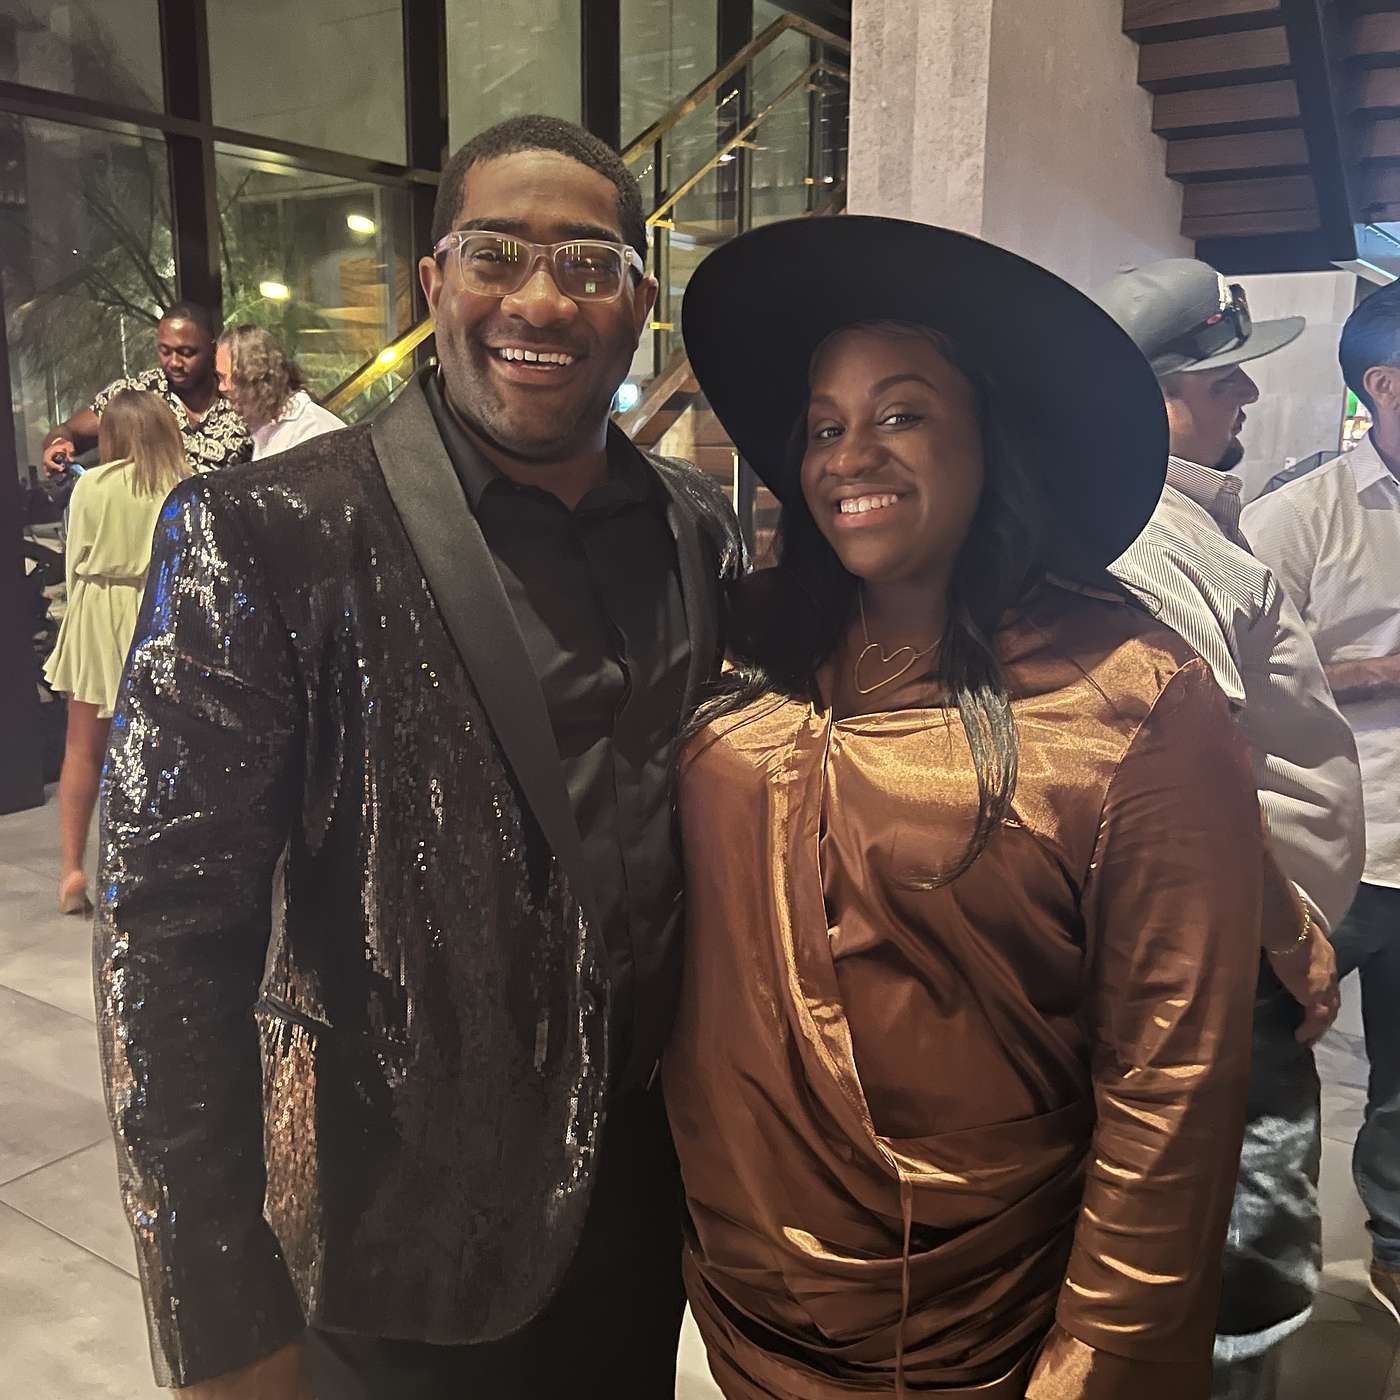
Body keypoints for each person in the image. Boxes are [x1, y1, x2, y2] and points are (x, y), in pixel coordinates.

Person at [95, 115, 742, 1400]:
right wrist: (218, 1305)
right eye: (496, 253)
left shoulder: (692, 528)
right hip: (400, 1242)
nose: (539, 299)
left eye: (589, 264)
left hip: (644, 1216)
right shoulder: (270, 530)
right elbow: (165, 934)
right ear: (432, 282)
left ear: (638, 304)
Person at [667, 215, 1279, 1399]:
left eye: (899, 414)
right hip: (737, 1286)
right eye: (824, 427)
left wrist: (1100, 1357)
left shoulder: (1126, 695)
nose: (850, 456)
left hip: (979, 1317)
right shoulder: (738, 641)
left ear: (990, 434)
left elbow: (1169, 1081)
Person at [1097, 259, 1364, 1397]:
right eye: (1221, 382)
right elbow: (1188, 789)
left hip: (1228, 957)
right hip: (1223, 970)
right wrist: (1284, 937)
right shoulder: (1148, 542)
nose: (1246, 397)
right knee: (1231, 1286)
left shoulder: (1178, 522)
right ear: (1151, 398)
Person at [1243, 280, 1400, 1331]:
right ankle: (1239, 1267)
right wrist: (1382, 670)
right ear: (1384, 385)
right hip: (1331, 854)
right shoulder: (1296, 517)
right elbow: (1243, 680)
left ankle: (1394, 1252)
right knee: (1254, 1053)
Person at [42, 390, 191, 915]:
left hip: (96, 615)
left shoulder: (92, 486)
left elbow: (73, 562)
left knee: (82, 749)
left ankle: (72, 868)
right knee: (164, 750)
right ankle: (157, 868)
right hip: (157, 612)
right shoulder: (181, 485)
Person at [41, 300, 252, 475]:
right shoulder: (137, 394)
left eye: (186, 352)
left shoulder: (239, 395)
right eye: (165, 351)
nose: (174, 362)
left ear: (212, 349)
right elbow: (67, 430)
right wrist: (58, 443)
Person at [215, 325, 344, 460]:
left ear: (255, 378)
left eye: (224, 378)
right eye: (219, 377)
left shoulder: (310, 430)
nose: (221, 387)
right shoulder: (264, 425)